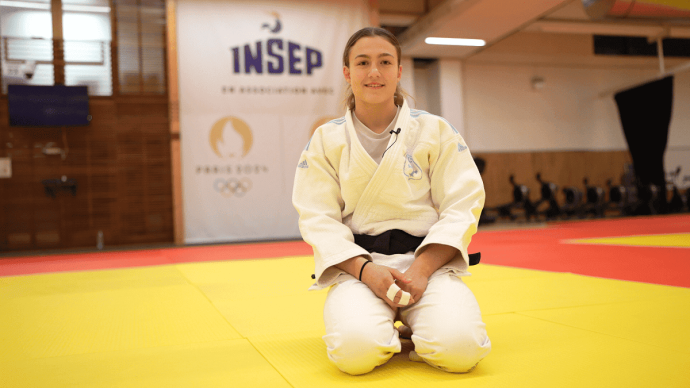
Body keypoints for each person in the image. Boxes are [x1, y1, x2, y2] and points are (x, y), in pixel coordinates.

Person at [292, 27, 491, 375]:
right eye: (362, 62)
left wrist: (421, 270)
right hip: (359, 267)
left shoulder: (435, 131)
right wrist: (367, 272)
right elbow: (316, 217)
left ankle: (411, 329)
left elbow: (463, 203)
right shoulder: (327, 139)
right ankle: (393, 331)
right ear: (347, 72)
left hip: (426, 263)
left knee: (461, 351)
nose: (373, 72)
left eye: (385, 62)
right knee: (355, 355)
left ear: (399, 71)